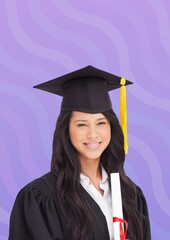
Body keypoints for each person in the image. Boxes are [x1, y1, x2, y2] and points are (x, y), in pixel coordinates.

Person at [8, 65, 151, 240]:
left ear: (112, 128)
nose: (92, 134)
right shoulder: (40, 197)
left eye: (100, 123)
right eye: (82, 124)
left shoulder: (130, 194)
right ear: (66, 129)